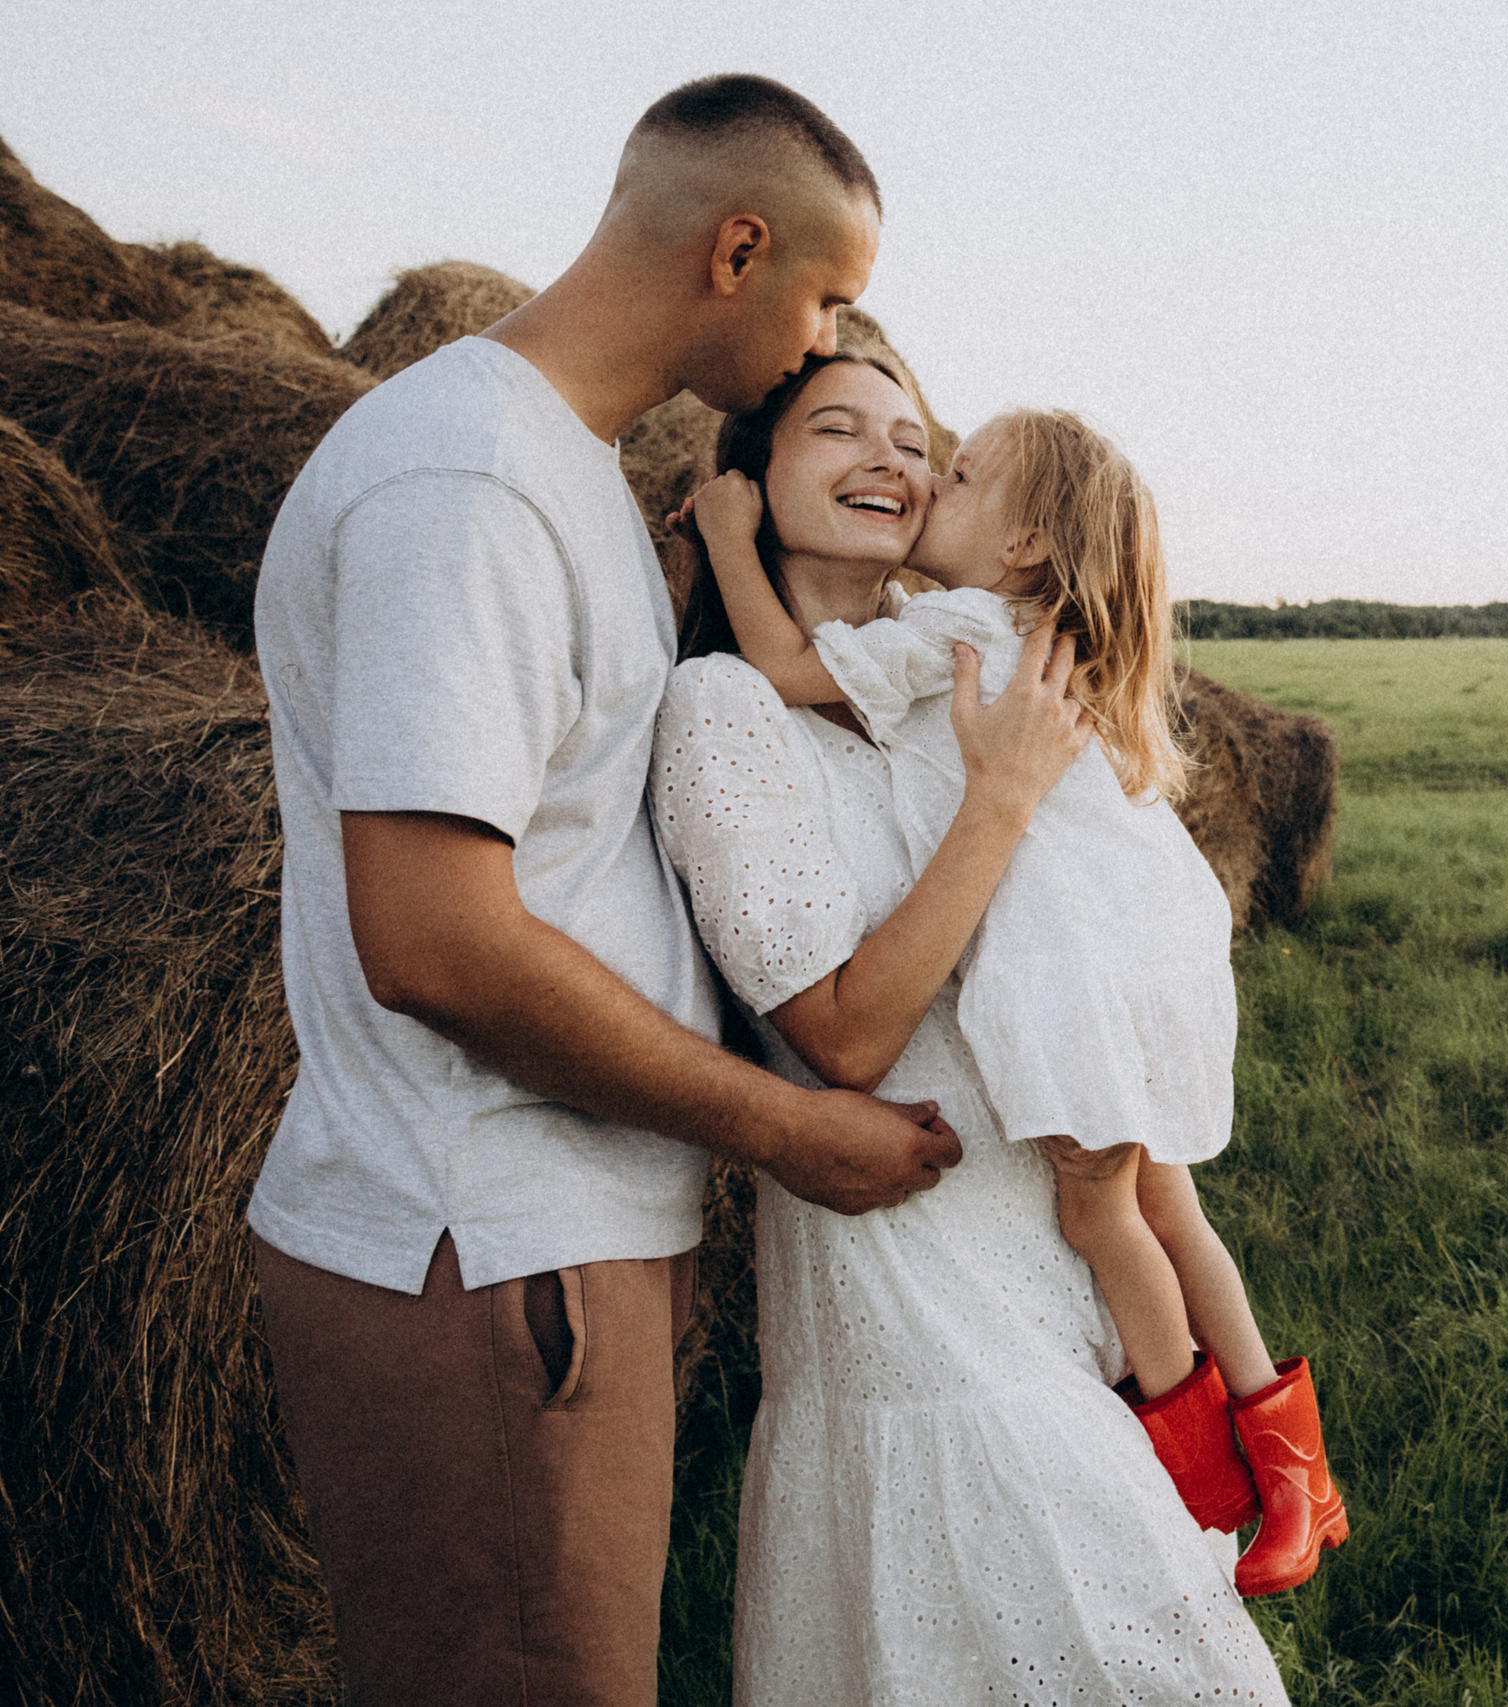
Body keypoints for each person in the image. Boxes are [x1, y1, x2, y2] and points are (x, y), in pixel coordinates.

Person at [247, 77, 1086, 1705]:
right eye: (830, 297)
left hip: (543, 1249)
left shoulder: (554, 470)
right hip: (487, 1247)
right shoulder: (469, 486)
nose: (834, 334)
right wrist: (787, 1131)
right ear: (741, 249)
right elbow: (432, 940)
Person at [651, 353, 1293, 1701]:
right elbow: (843, 1038)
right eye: (839, 429)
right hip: (923, 1315)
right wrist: (1000, 800)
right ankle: (1261, 1470)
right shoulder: (732, 705)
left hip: (1057, 1282)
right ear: (750, 476)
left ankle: (1247, 1469)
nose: (901, 461)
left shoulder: (968, 661)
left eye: (923, 443)